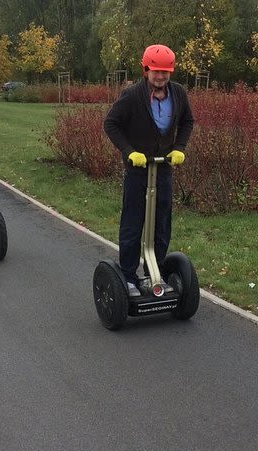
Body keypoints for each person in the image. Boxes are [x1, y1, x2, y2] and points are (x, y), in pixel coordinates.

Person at [103, 44, 194, 296]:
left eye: (165, 72)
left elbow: (187, 120)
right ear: (146, 70)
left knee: (162, 223)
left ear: (171, 72)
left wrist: (180, 147)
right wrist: (128, 151)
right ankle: (129, 276)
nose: (161, 76)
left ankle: (156, 273)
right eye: (156, 71)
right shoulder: (132, 95)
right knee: (133, 223)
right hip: (137, 169)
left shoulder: (179, 94)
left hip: (164, 167)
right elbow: (111, 124)